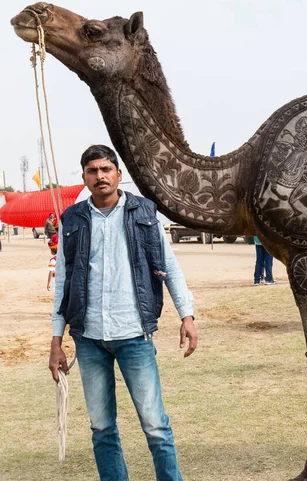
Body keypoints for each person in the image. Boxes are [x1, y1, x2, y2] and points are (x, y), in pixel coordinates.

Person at [50, 144, 198, 481]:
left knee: (155, 426)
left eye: (106, 169)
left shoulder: (144, 213)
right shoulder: (72, 219)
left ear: (118, 174)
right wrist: (56, 340)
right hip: (88, 339)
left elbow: (170, 268)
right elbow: (63, 281)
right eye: (92, 171)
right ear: (85, 177)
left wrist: (186, 316)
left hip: (134, 334)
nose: (100, 176)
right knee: (102, 428)